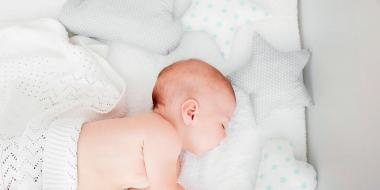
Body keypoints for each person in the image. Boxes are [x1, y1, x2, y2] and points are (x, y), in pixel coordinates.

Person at [77, 59, 236, 190]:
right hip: (64, 160)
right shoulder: (162, 133)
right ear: (191, 112)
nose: (225, 135)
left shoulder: (166, 158)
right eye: (222, 125)